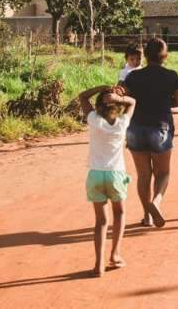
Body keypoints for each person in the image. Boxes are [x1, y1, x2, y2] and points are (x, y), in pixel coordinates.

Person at [122, 38, 178, 228]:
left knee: (143, 175)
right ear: (165, 56)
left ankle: (146, 216)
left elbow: (124, 98)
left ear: (146, 55)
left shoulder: (132, 76)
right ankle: (156, 201)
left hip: (135, 128)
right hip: (161, 127)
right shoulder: (171, 75)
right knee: (163, 172)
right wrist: (164, 103)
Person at [78, 85, 136, 277]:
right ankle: (115, 254)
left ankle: (98, 264)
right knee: (119, 214)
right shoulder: (122, 122)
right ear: (117, 107)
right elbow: (133, 102)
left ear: (99, 105)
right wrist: (119, 97)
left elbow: (82, 96)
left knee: (100, 221)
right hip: (116, 174)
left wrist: (103, 88)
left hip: (95, 175)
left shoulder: (93, 120)